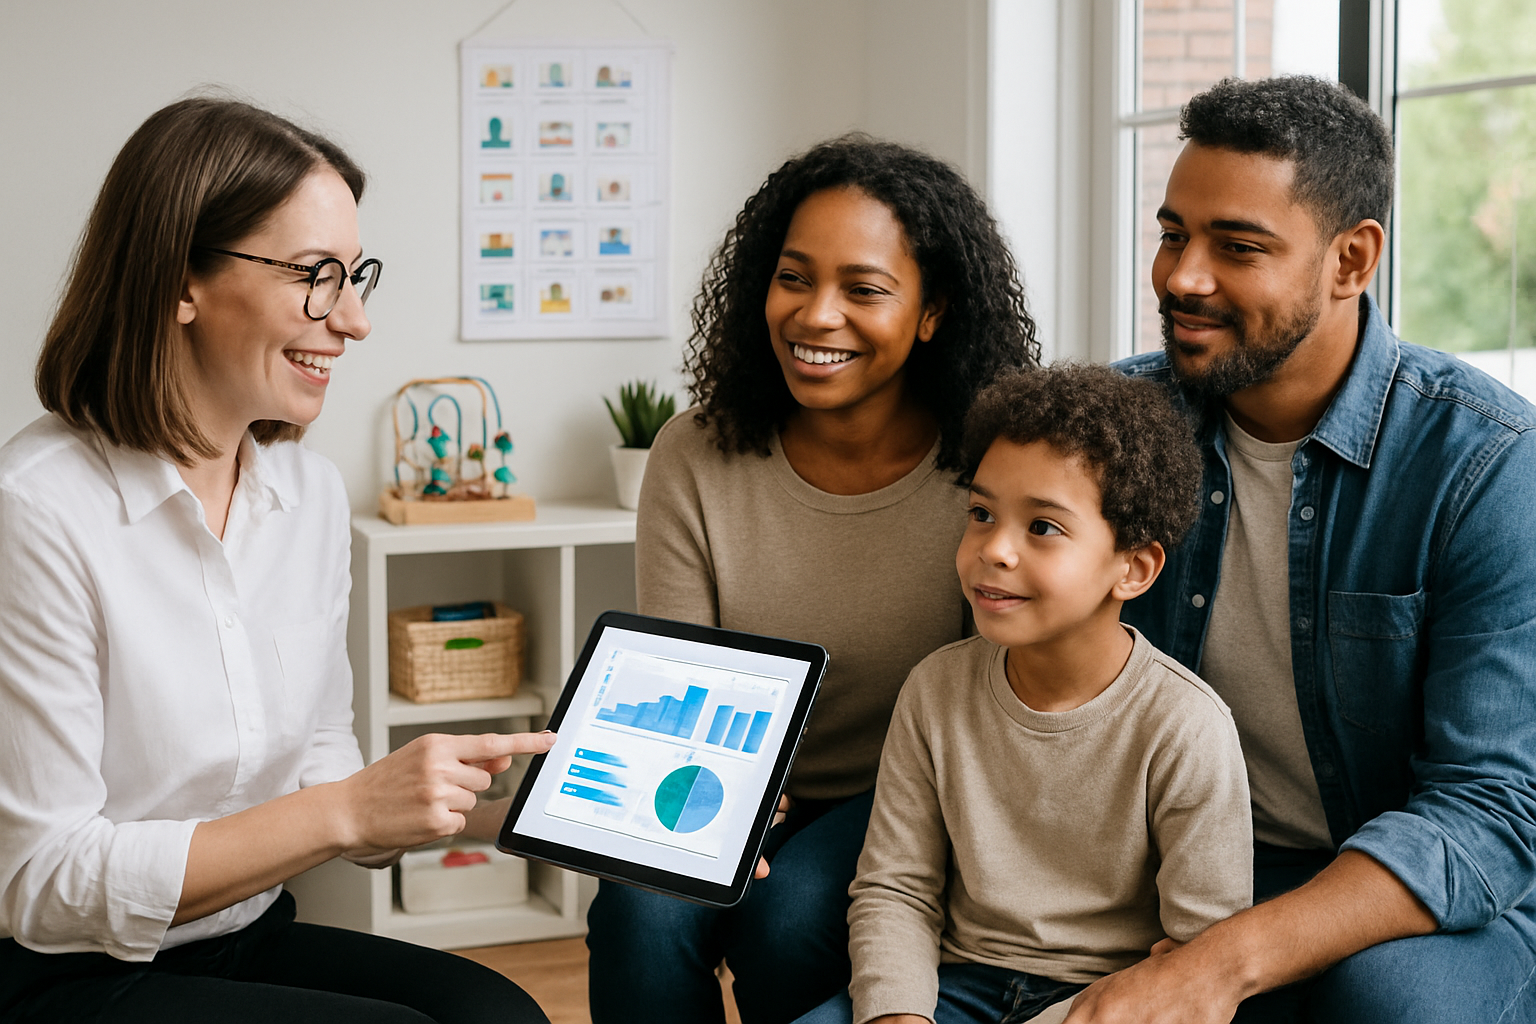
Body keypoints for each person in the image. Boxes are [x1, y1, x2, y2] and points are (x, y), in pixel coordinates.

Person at [0, 98, 556, 1023]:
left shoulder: (309, 496)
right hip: (63, 971)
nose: (356, 320)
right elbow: (41, 881)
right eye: (316, 276)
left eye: (357, 276)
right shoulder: (37, 508)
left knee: (499, 1016)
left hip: (243, 935)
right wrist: (347, 813)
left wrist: (510, 811)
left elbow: (322, 773)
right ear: (181, 280)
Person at [1065, 76, 1536, 1023]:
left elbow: (1490, 812)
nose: (1181, 277)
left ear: (1350, 259)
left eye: (1237, 247)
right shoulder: (1117, 425)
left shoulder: (1485, 461)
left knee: (1394, 1002)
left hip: (1409, 880)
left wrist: (1218, 963)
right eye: (1171, 235)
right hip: (1182, 853)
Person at [582, 135, 1040, 1024]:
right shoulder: (693, 452)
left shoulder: (988, 464)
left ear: (934, 310)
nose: (815, 316)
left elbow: (988, 700)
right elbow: (686, 681)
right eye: (794, 278)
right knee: (638, 908)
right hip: (733, 774)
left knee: (790, 915)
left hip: (912, 788)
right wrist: (721, 796)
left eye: (863, 289)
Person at [793, 364, 1252, 1024]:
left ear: (1134, 568)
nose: (994, 550)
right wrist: (899, 1016)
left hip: (1105, 1001)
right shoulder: (935, 690)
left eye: (1043, 527)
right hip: (955, 985)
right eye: (981, 514)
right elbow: (897, 888)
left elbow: (1198, 956)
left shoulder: (1187, 727)